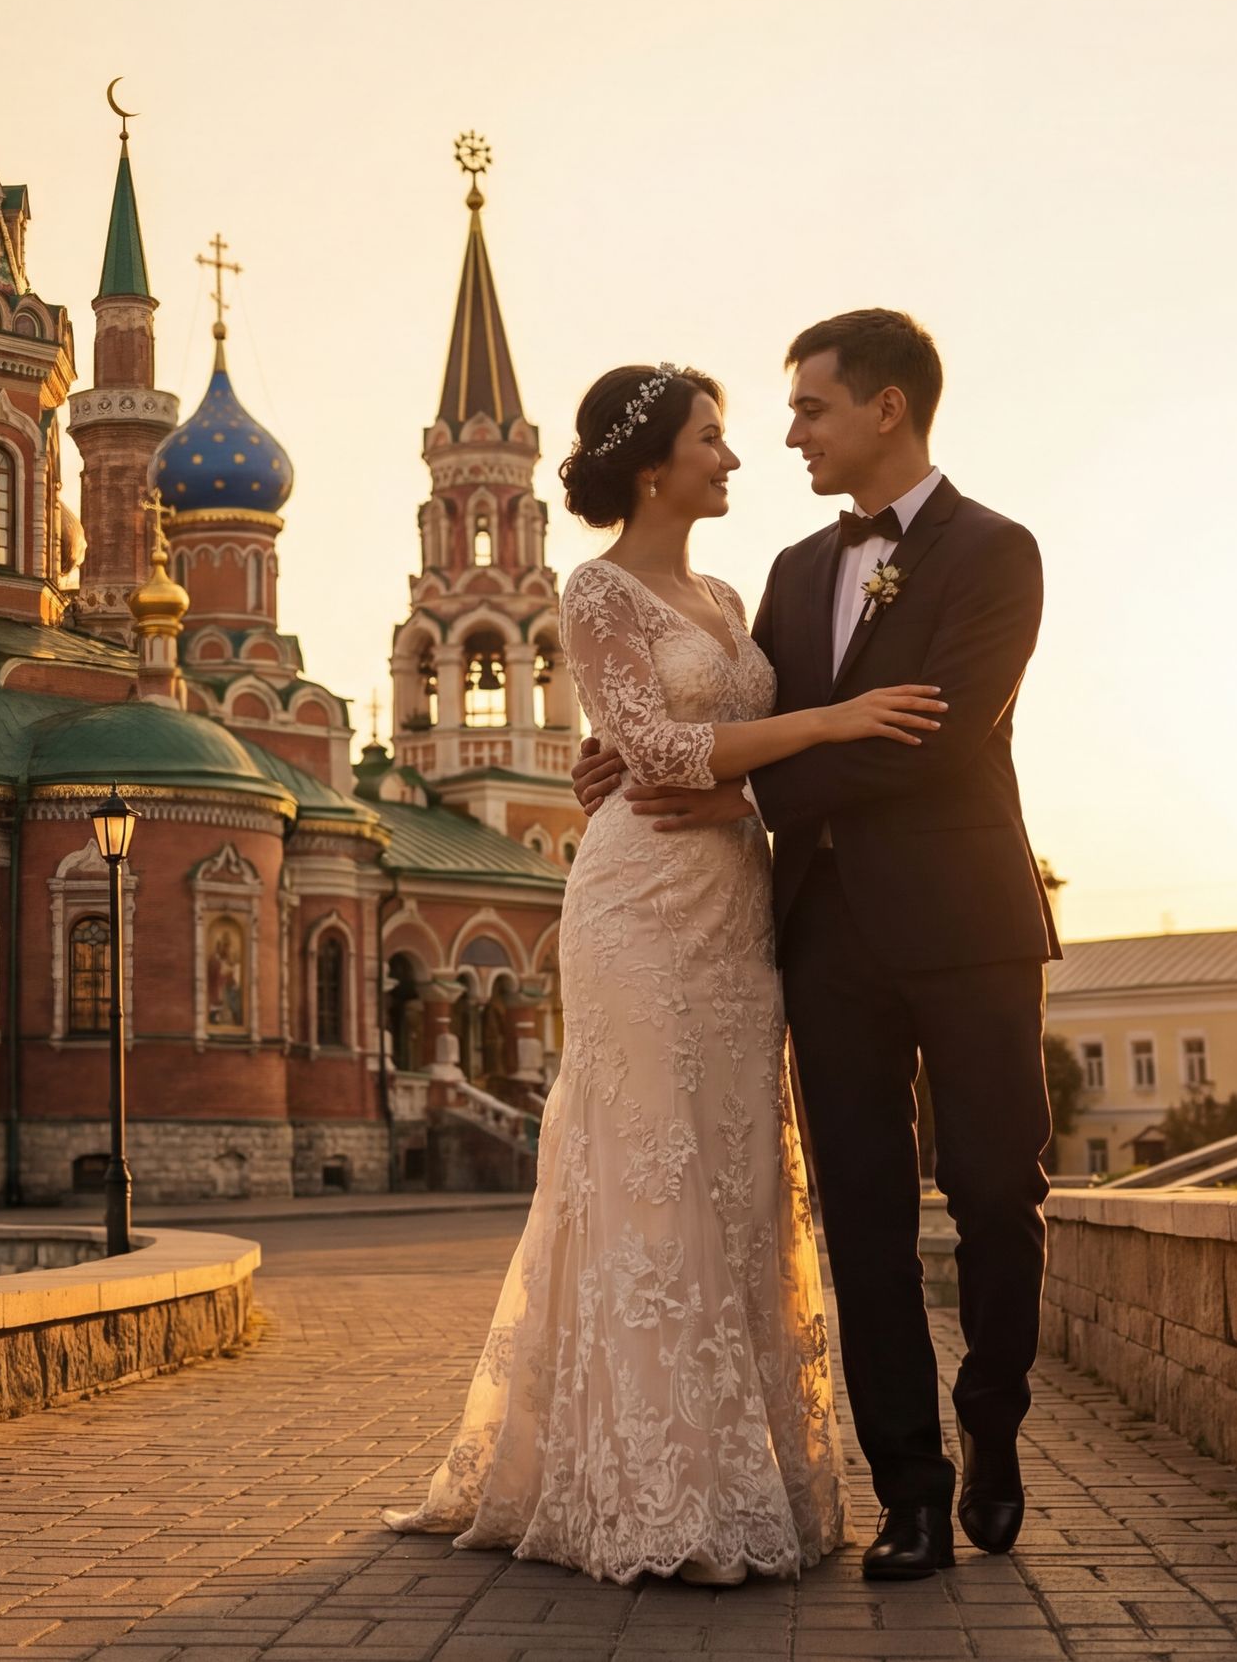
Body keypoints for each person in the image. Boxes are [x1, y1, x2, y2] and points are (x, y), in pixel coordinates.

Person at [385, 360, 945, 1584]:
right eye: (713, 438)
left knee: (736, 1171)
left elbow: (681, 747)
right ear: (655, 466)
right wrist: (829, 724)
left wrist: (734, 751)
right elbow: (656, 747)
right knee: (648, 1173)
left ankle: (746, 1479)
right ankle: (655, 1492)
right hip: (638, 904)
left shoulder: (732, 592)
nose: (735, 457)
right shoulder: (591, 591)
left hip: (735, 907)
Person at [572, 309, 1059, 1580]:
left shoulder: (998, 553)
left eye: (810, 410)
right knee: (860, 1214)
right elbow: (751, 716)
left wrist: (740, 795)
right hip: (820, 938)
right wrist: (625, 749)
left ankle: (993, 1429)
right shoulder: (786, 574)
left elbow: (936, 739)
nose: (788, 436)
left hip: (967, 926)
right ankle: (908, 1487)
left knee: (1001, 1190)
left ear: (886, 408)